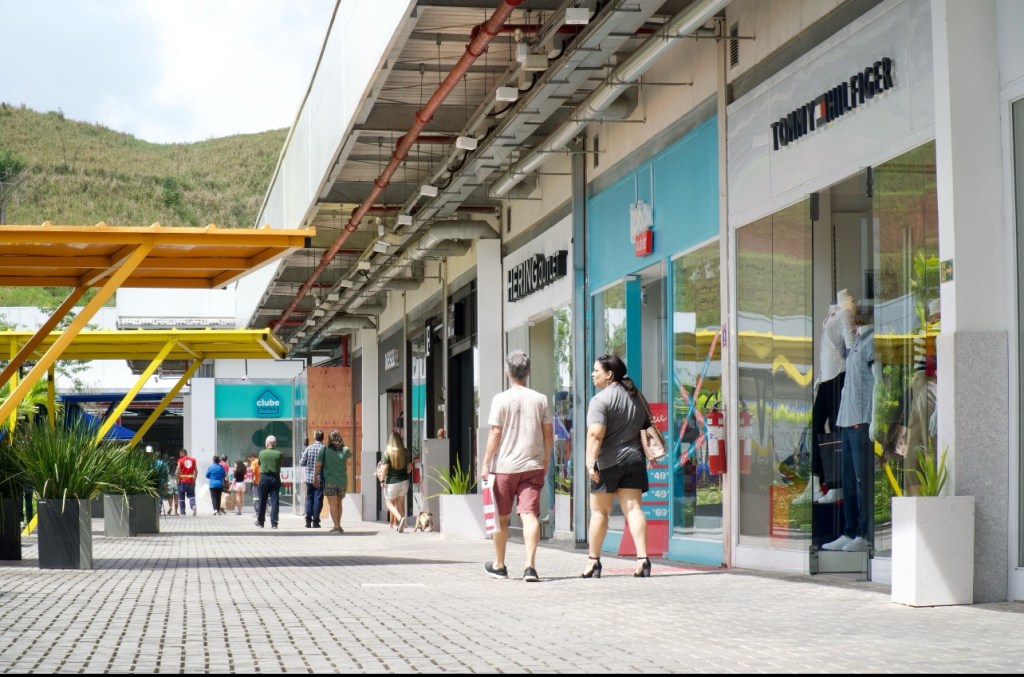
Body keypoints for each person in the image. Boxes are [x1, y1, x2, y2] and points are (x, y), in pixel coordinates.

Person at [480, 350, 553, 582]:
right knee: (530, 515)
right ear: (528, 372)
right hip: (533, 466)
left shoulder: (500, 399)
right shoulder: (541, 399)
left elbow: (495, 433)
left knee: (502, 517)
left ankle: (499, 565)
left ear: (507, 371)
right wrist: (546, 460)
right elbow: (548, 434)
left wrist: (485, 463)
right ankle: (530, 567)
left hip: (504, 467)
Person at [583, 354, 652, 579]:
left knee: (599, 512)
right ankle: (643, 559)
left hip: (607, 462)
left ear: (609, 374)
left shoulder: (600, 400)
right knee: (633, 509)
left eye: (596, 371)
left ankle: (593, 562)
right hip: (634, 459)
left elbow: (595, 433)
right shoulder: (637, 397)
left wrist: (590, 462)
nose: (593, 374)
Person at [823, 310, 878, 553]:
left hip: (860, 421)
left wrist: (873, 418)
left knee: (862, 480)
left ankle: (865, 534)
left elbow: (879, 383)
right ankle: (850, 530)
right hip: (846, 421)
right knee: (847, 479)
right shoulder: (854, 345)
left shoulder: (872, 342)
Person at [798, 289, 857, 505]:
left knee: (835, 430)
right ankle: (815, 482)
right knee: (816, 425)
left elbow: (851, 347)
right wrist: (820, 377)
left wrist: (849, 380)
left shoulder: (846, 311)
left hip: (839, 376)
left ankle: (837, 485)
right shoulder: (835, 312)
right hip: (826, 377)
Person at [313, 430, 352, 533]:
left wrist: (315, 478)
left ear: (329, 439)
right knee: (339, 504)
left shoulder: (324, 450)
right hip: (342, 482)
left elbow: (318, 465)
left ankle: (336, 526)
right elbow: (349, 462)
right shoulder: (345, 450)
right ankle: (338, 525)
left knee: (333, 505)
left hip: (329, 481)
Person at [380, 432, 411, 532]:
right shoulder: (406, 452)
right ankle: (401, 524)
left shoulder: (388, 452)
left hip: (392, 482)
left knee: (389, 503)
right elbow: (409, 468)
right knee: (400, 503)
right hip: (404, 481)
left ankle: (400, 518)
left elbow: (385, 467)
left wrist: (381, 479)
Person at [255, 435, 283, 529]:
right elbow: (280, 464)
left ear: (266, 443)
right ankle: (274, 523)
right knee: (275, 501)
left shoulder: (262, 453)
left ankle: (261, 522)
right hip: (275, 478)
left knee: (262, 500)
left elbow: (259, 464)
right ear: (275, 444)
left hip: (264, 478)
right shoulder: (279, 453)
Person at [300, 430, 326, 528]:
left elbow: (302, 462)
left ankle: (307, 520)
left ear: (314, 437)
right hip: (321, 479)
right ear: (322, 438)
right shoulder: (325, 449)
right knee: (318, 499)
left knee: (309, 498)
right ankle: (316, 521)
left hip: (309, 478)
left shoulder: (308, 448)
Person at [177, 448, 198, 516]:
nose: (179, 454)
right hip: (191, 480)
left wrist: (177, 479)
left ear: (183, 453)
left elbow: (178, 471)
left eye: (180, 453)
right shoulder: (193, 460)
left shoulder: (180, 460)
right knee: (191, 495)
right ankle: (193, 506)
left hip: (182, 480)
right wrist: (194, 479)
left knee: (181, 496)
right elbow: (196, 471)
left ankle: (182, 512)